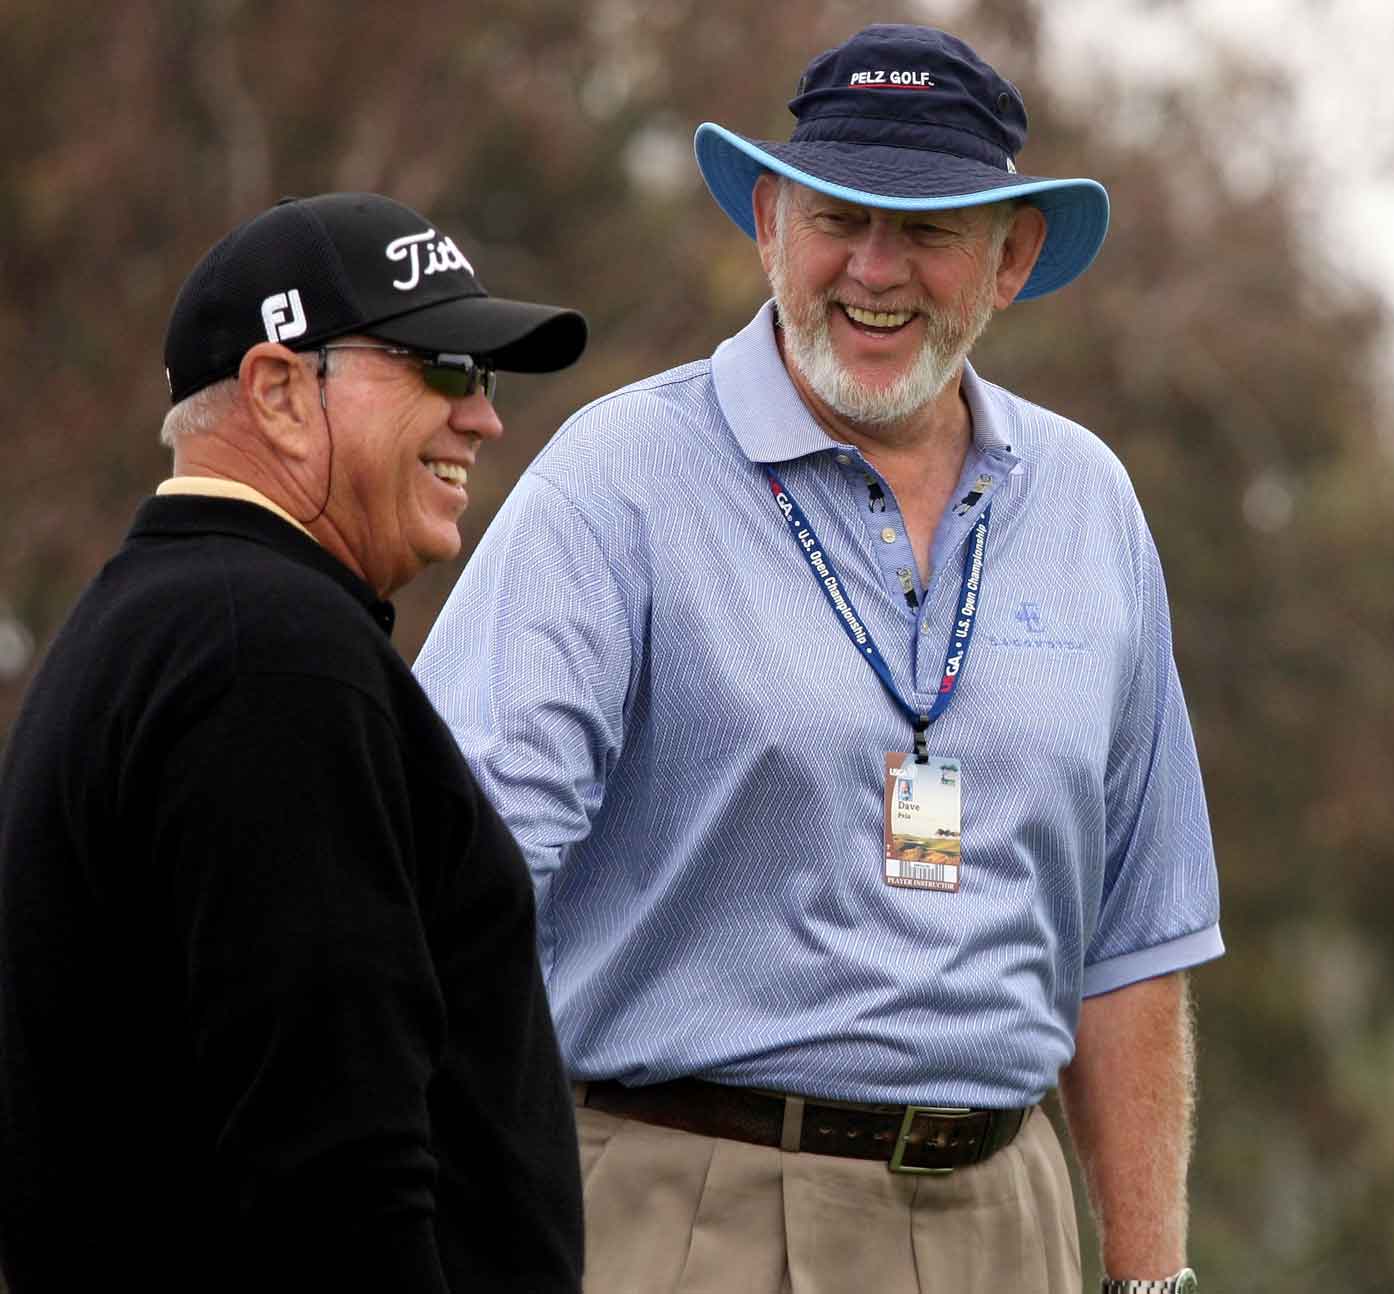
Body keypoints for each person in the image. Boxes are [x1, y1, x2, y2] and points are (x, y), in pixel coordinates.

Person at [414, 23, 1218, 1294]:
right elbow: (449, 882)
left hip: (1010, 1226)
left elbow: (1132, 943)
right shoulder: (618, 480)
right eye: (839, 218)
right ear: (769, 224)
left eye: (928, 229)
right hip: (687, 1212)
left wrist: (1149, 1278)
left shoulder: (1089, 504)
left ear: (1010, 258)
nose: (874, 269)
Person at [0, 194, 590, 1289]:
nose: (484, 418)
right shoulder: (270, 661)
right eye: (444, 368)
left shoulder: (174, 622)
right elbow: (335, 1159)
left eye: (485, 377)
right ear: (279, 391)